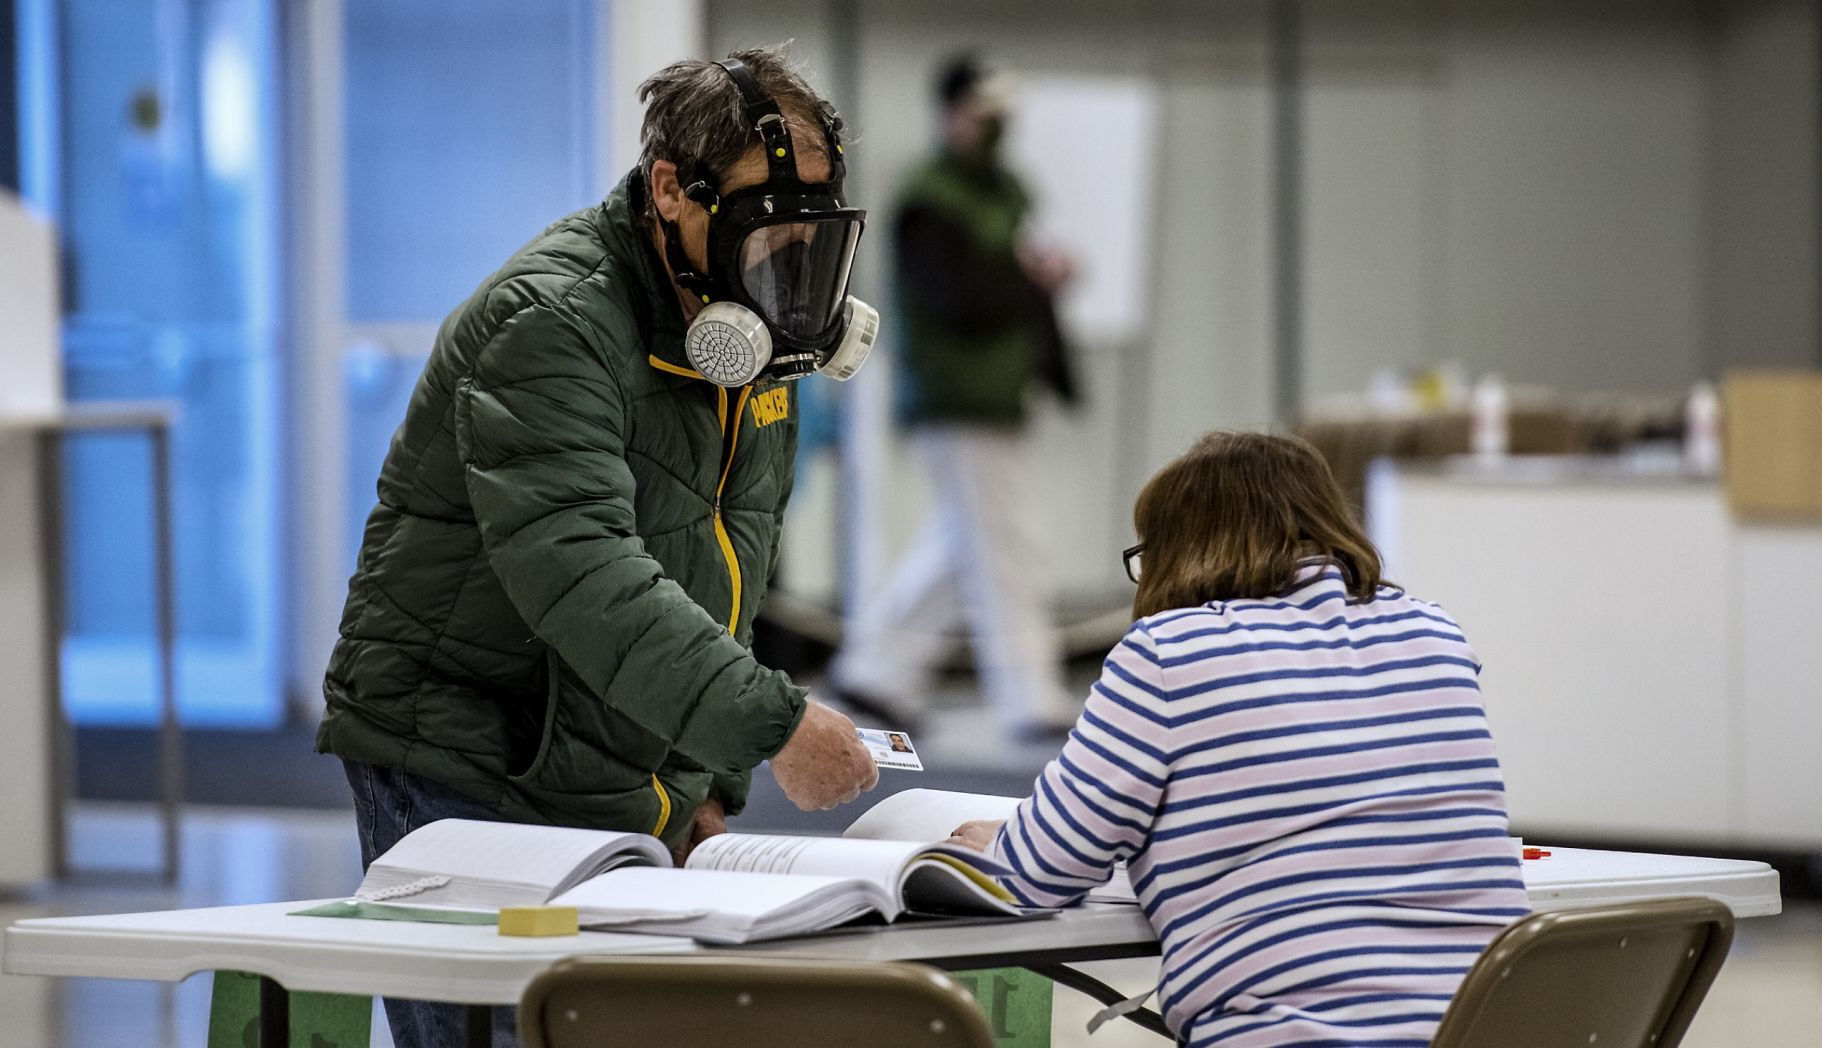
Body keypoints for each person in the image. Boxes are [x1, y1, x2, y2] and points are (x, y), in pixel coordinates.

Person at [315, 48, 880, 1047]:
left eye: (810, 239)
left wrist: (709, 780)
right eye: (762, 233)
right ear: (669, 189)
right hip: (465, 750)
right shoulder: (550, 324)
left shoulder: (743, 339)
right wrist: (769, 726)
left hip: (600, 741)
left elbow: (726, 565)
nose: (787, 271)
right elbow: (583, 570)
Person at [949, 432, 1531, 1046]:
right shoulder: (1435, 635)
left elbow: (1037, 872)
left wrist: (1002, 843)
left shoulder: (1170, 653)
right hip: (1486, 1027)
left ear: (1179, 549)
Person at [829, 53, 1080, 738]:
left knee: (962, 543)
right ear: (950, 114)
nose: (995, 127)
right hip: (955, 398)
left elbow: (1009, 282)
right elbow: (957, 299)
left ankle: (875, 673)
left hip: (998, 396)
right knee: (1005, 547)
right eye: (982, 113)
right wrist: (1036, 282)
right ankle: (1031, 695)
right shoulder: (930, 200)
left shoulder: (1003, 191)